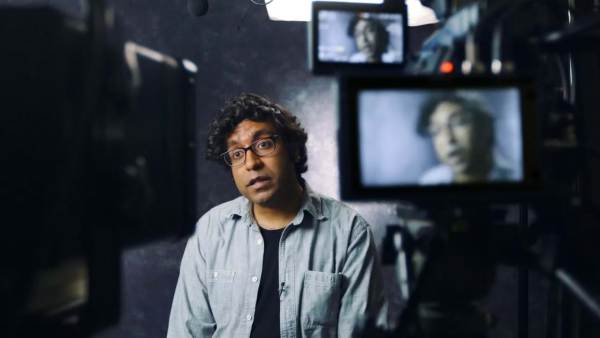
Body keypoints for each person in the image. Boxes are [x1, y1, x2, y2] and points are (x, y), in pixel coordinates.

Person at [167, 93, 385, 338]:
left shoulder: (349, 232)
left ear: (292, 150)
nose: (251, 163)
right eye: (237, 154)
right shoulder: (209, 231)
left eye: (264, 144)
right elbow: (186, 332)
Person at [416, 92, 514, 184]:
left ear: (485, 127)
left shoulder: (513, 177)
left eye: (459, 123)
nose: (448, 139)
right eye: (436, 130)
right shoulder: (430, 180)